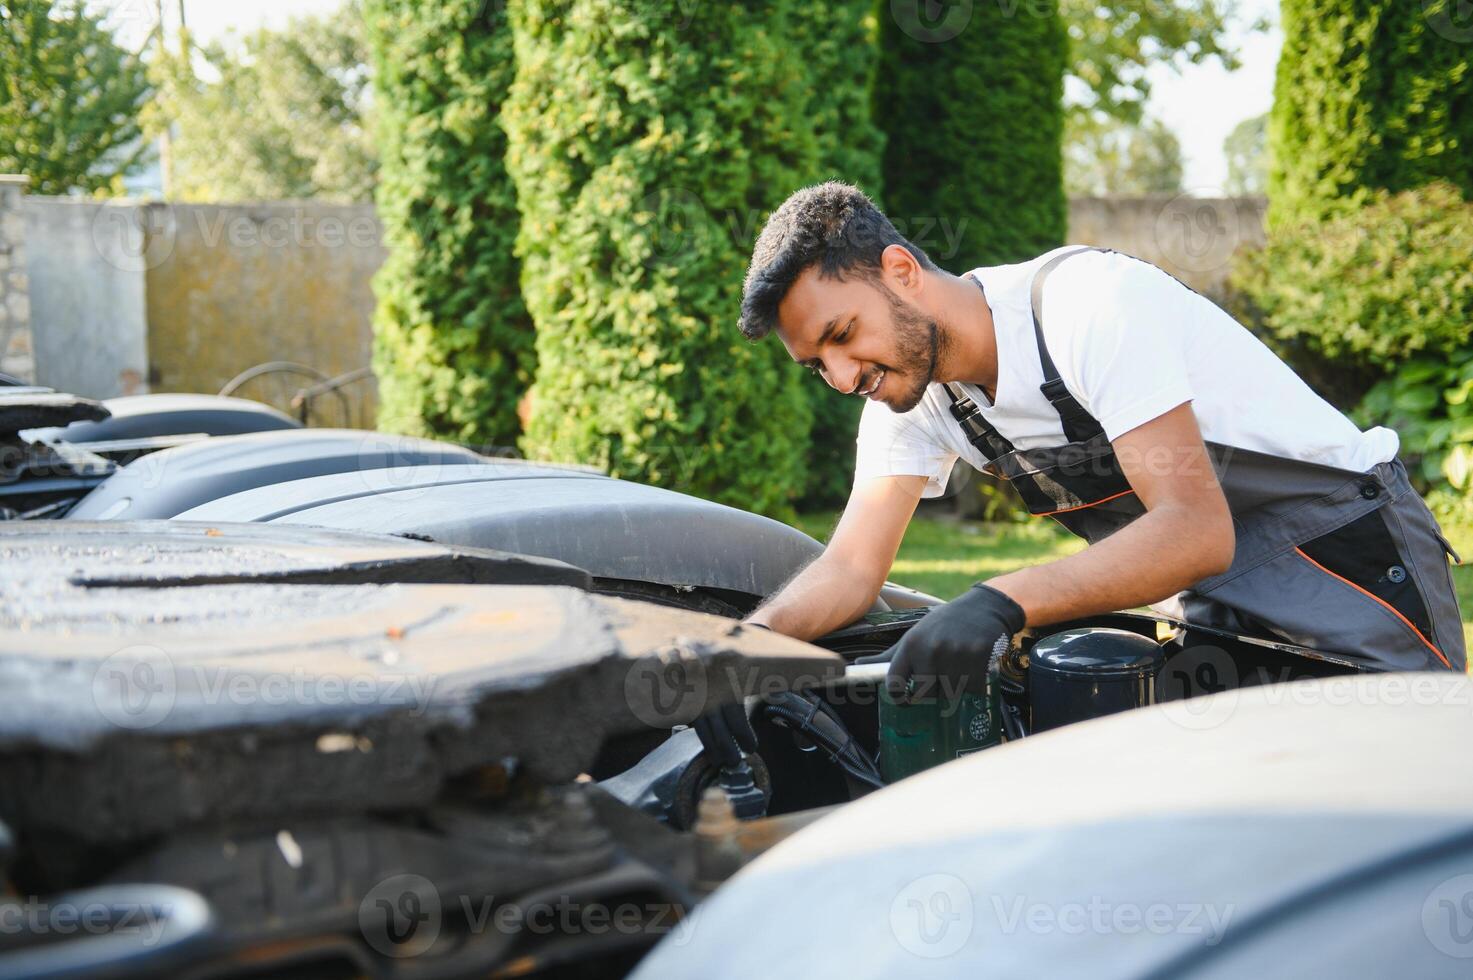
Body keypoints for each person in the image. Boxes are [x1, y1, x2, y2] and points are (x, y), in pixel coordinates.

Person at [738, 182, 1465, 698]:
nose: (840, 377)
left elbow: (1192, 528)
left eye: (842, 336)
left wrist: (996, 600)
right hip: (1210, 602)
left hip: (1345, 560)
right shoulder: (913, 395)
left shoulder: (1088, 307)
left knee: (1401, 812)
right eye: (815, 366)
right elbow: (849, 571)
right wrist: (735, 651)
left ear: (900, 272)